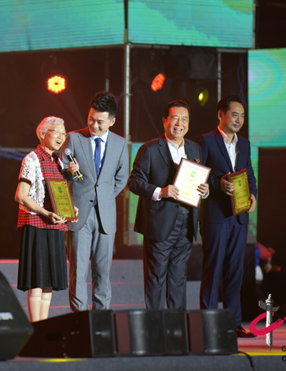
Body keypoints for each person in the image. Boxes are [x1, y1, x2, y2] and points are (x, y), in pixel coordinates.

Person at [128, 100, 208, 310]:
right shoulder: (149, 149)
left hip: (186, 222)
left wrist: (205, 191)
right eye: (175, 118)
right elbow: (134, 182)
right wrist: (160, 192)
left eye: (185, 119)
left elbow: (199, 179)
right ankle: (155, 324)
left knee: (178, 278)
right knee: (156, 278)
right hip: (159, 223)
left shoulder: (195, 148)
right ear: (164, 121)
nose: (180, 123)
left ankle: (176, 325)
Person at [197, 95, 257, 338]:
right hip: (215, 215)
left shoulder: (245, 143)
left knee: (235, 271)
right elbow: (198, 174)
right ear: (220, 114)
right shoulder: (206, 140)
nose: (239, 120)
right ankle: (209, 323)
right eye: (234, 115)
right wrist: (218, 184)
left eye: (242, 116)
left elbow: (249, 175)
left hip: (239, 215)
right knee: (213, 269)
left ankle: (234, 323)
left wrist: (253, 196)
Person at [62, 92, 129, 312]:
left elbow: (122, 178)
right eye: (91, 119)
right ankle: (80, 319)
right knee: (78, 271)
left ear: (112, 121)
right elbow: (60, 174)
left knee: (103, 272)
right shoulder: (74, 138)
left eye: (100, 121)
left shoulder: (120, 144)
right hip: (78, 212)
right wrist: (70, 173)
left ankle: (102, 319)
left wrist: (104, 197)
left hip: (105, 214)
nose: (94, 125)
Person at [15, 116, 78, 322]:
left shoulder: (57, 161)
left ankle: (43, 327)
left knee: (48, 282)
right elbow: (21, 195)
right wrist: (45, 213)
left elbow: (57, 196)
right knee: (37, 281)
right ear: (42, 134)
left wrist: (70, 210)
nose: (61, 137)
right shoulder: (32, 159)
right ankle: (36, 328)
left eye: (63, 133)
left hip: (54, 226)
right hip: (36, 225)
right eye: (57, 132)